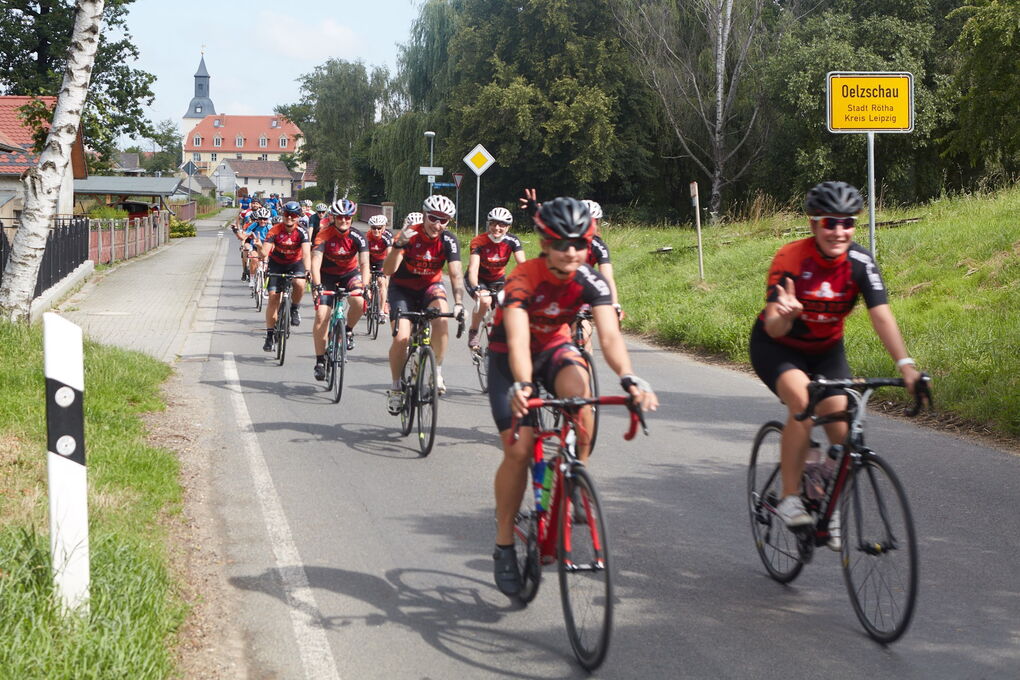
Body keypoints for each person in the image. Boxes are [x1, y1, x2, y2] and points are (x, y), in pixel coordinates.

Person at [488, 196, 657, 596]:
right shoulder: (523, 278)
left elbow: (610, 337)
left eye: (580, 244)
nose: (571, 252)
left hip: (553, 348)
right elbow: (515, 340)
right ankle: (504, 543)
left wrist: (629, 377)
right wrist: (524, 386)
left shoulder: (590, 281)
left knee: (581, 404)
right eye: (561, 243)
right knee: (519, 448)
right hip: (509, 359)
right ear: (545, 243)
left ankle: (572, 476)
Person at [749, 181, 922, 548]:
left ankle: (824, 494)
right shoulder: (791, 259)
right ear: (814, 225)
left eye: (848, 223)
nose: (839, 231)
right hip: (778, 346)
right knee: (803, 402)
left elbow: (882, 317)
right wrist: (786, 313)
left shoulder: (860, 263)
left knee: (844, 433)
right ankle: (791, 496)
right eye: (830, 222)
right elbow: (774, 325)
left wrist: (906, 365)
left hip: (826, 350)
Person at [383, 196, 465, 411]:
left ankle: (437, 370)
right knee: (401, 338)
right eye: (433, 218)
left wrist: (459, 302)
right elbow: (388, 270)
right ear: (424, 214)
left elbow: (455, 273)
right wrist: (396, 247)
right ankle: (396, 387)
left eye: (444, 220)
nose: (438, 224)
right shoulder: (408, 234)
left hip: (430, 287)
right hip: (402, 288)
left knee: (442, 317)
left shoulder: (448, 240)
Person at [310, 198, 369, 380]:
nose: (344, 221)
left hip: (349, 274)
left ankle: (348, 330)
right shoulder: (323, 234)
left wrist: (365, 286)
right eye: (341, 217)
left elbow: (365, 263)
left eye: (348, 217)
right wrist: (317, 285)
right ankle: (320, 361)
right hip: (326, 276)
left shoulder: (358, 236)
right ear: (334, 218)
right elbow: (315, 261)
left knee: (359, 301)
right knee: (321, 316)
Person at [466, 206, 525, 350]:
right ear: (489, 224)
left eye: (502, 225)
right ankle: (474, 331)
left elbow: (523, 265)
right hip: (479, 279)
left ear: (508, 227)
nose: (497, 228)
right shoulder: (479, 241)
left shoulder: (512, 241)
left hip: (498, 279)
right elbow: (473, 268)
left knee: (507, 306)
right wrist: (477, 288)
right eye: (493, 223)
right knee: (485, 301)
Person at [260, 200, 311, 352]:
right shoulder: (274, 230)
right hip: (277, 263)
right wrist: (260, 250)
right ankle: (270, 336)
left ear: (298, 217)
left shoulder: (302, 231)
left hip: (296, 263)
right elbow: (265, 250)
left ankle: (294, 308)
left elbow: (307, 253)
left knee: (300, 283)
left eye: (293, 215)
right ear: (283, 215)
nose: (289, 218)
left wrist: (307, 270)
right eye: (287, 215)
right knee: (273, 298)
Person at [365, 214, 394, 321]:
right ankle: (367, 298)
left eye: (379, 228)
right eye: (373, 228)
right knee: (366, 279)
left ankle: (381, 310)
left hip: (382, 261)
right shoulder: (367, 237)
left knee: (382, 282)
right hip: (369, 259)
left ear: (384, 227)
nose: (376, 230)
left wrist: (387, 271)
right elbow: (363, 256)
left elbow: (390, 255)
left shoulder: (387, 237)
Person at [239, 207, 271, 285]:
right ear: (258, 219)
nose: (262, 221)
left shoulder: (269, 227)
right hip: (255, 247)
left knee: (267, 264)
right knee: (254, 259)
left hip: (265, 247)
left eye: (265, 219)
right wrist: (243, 240)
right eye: (260, 219)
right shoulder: (255, 225)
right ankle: (252, 279)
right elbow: (246, 233)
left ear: (268, 219)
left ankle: (265, 281)